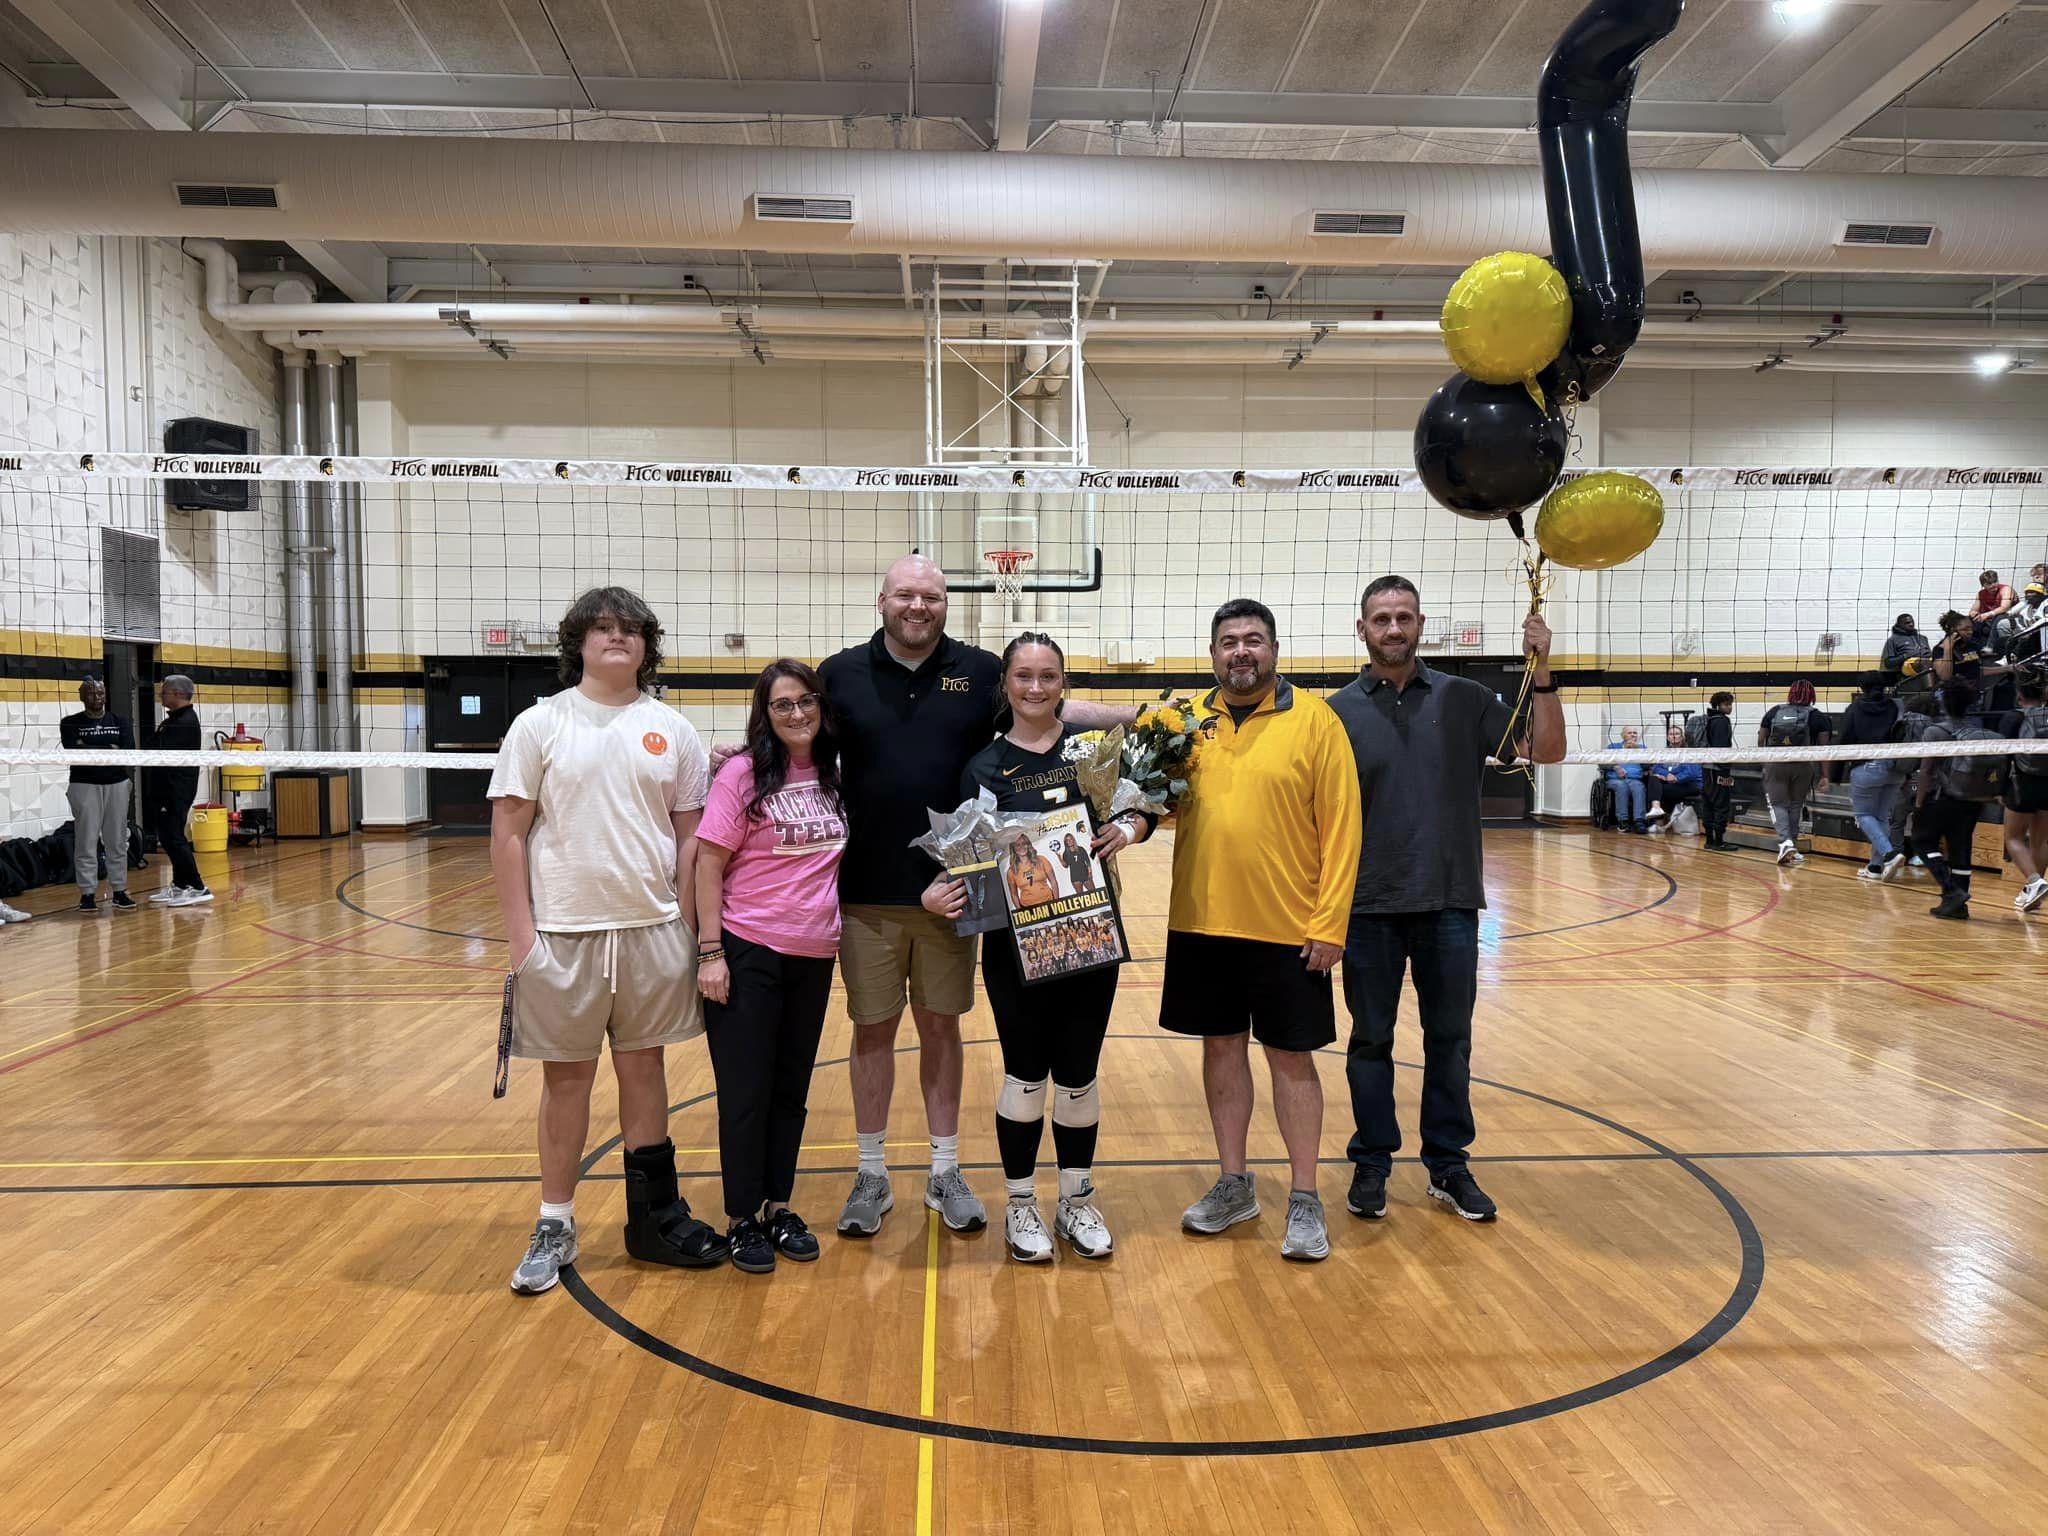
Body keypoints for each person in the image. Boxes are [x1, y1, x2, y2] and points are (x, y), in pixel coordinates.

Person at [815, 555, 1131, 1240]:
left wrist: (1142, 715)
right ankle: (871, 1176)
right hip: (868, 892)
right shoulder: (838, 673)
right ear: (882, 599)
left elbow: (1046, 704)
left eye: (931, 596)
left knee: (940, 1030)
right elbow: (797, 743)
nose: (918, 606)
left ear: (946, 604)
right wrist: (733, 752)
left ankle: (945, 1171)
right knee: (872, 1032)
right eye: (906, 594)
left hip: (957, 892)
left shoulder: (983, 669)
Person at [490, 586, 726, 1294]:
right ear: (579, 644)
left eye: (630, 630)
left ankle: (652, 1218)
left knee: (644, 1070)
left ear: (647, 645)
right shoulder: (540, 725)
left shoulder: (672, 730)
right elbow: (507, 833)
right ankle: (555, 1221)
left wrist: (686, 927)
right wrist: (521, 939)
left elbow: (691, 839)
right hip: (562, 934)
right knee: (566, 1082)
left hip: (652, 930)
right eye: (601, 629)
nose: (616, 639)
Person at [1329, 577, 1564, 1228]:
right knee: (1370, 1039)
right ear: (1363, 628)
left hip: (1450, 900)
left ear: (1421, 623)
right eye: (1382, 618)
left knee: (1450, 1040)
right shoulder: (1335, 712)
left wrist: (1542, 671)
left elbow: (1546, 751)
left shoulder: (1464, 699)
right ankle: (1372, 1161)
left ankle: (1447, 1165)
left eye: (1404, 616)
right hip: (1368, 903)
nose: (1394, 628)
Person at [928, 632, 1153, 1264]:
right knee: (1026, 1075)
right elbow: (967, 860)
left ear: (1063, 684)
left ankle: (1077, 1199)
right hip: (1015, 950)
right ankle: (1022, 1203)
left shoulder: (1092, 752)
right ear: (1005, 685)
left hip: (1089, 936)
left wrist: (1128, 829)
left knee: (1078, 1075)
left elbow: (1144, 807)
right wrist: (940, 890)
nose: (1035, 688)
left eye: (1047, 676)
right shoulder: (984, 767)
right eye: (1022, 677)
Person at [1163, 598, 1361, 1262]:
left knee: (1290, 1059)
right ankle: (1233, 1183)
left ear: (1274, 649)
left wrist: (1330, 921)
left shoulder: (1317, 722)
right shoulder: (1187, 723)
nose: (1240, 651)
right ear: (1212, 652)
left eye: (1253, 640)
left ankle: (1305, 1198)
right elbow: (1143, 793)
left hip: (1289, 927)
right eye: (1228, 641)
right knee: (1221, 1051)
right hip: (1203, 920)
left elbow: (1343, 829)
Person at [694, 660, 848, 1274]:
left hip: (814, 953)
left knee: (791, 1092)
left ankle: (778, 1206)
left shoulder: (837, 771)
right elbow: (708, 863)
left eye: (806, 701)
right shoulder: (741, 774)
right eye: (782, 704)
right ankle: (740, 1218)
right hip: (748, 946)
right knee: (746, 1091)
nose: (797, 714)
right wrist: (709, 953)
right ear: (765, 712)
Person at [1912, 680, 2007, 921]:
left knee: (1922, 842)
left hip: (1942, 797)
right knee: (1960, 849)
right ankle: (1958, 906)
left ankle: (1951, 891)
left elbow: (1927, 770)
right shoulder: (1980, 731)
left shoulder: (1935, 732)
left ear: (1942, 702)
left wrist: (1920, 800)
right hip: (1973, 799)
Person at [62, 677, 137, 913]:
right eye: (93, 694)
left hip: (117, 783)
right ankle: (87, 894)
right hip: (84, 784)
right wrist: (109, 749)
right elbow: (72, 749)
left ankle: (119, 890)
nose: (98, 698)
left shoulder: (121, 721)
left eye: (102, 693)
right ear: (82, 697)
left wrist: (89, 746)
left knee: (117, 841)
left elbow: (128, 750)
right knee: (86, 840)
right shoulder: (70, 723)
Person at [1831, 672, 1908, 882]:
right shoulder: (1895, 705)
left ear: (1862, 687)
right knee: (1881, 817)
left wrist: (1834, 774)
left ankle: (1889, 854)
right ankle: (1875, 867)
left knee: (1863, 815)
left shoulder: (1855, 708)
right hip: (1895, 767)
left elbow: (1843, 741)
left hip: (1868, 767)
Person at [144, 676, 209, 907]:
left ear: (179, 694)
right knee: (169, 837)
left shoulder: (185, 721)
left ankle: (198, 887)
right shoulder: (173, 720)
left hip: (175, 789)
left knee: (173, 837)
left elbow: (154, 748)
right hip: (167, 787)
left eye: (165, 692)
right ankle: (181, 885)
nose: (161, 695)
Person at [1758, 681, 1831, 866]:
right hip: (1803, 766)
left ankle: (1785, 842)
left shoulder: (1774, 711)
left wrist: (1765, 763)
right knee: (1796, 805)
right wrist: (1825, 776)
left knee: (1777, 804)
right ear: (1811, 696)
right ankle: (1793, 847)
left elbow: (1761, 739)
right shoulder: (1818, 717)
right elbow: (1825, 749)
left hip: (1776, 763)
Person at [2001, 672, 2048, 913]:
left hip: (2022, 783)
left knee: (2013, 838)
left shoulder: (2013, 718)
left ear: (2019, 697)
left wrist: (1999, 788)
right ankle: (2035, 894)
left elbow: (2002, 756)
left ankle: (2034, 882)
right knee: (2041, 840)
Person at [1697, 692, 1738, 851]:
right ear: (1717, 706)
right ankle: (1718, 841)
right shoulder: (1721, 721)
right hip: (1718, 768)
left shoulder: (1709, 719)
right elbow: (1720, 748)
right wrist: (1725, 769)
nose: (1730, 707)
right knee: (1721, 804)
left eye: (1730, 704)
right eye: (1726, 704)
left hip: (1707, 768)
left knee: (1708, 803)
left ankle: (1710, 840)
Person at [1646, 727, 1702, 830]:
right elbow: (1656, 768)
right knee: (1653, 779)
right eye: (1671, 734)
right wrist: (1667, 775)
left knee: (1658, 790)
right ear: (1668, 737)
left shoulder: (1689, 752)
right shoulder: (1664, 752)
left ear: (1682, 737)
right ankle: (1656, 808)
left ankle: (1659, 823)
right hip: (1673, 783)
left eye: (1677, 734)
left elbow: (1691, 773)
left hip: (1690, 785)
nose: (1674, 736)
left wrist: (1676, 777)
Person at [1603, 727, 1648, 833]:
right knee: (1621, 786)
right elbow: (1602, 763)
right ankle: (1623, 820)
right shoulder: (1613, 747)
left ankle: (1639, 820)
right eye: (1629, 733)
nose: (1633, 735)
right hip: (1615, 779)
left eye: (1635, 733)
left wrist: (1639, 750)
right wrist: (1615, 767)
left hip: (1634, 779)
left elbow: (1648, 765)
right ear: (1623, 735)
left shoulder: (1642, 748)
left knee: (1638, 786)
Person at [1003, 833, 1060, 908]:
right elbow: (1014, 894)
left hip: (1049, 902)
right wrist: (1020, 912)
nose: (1022, 847)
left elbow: (1053, 881)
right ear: (1013, 848)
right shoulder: (1011, 871)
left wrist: (1056, 902)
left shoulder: (1041, 860)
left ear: (1028, 845)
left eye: (1024, 843)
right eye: (1018, 845)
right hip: (1028, 909)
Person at [1879, 614, 1929, 678]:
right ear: (1900, 625)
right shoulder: (1892, 640)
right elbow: (1888, 663)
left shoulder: (1922, 638)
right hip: (1904, 676)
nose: (1911, 624)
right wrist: (1906, 656)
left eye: (1912, 622)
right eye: (1907, 623)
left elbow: (1930, 655)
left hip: (1926, 672)